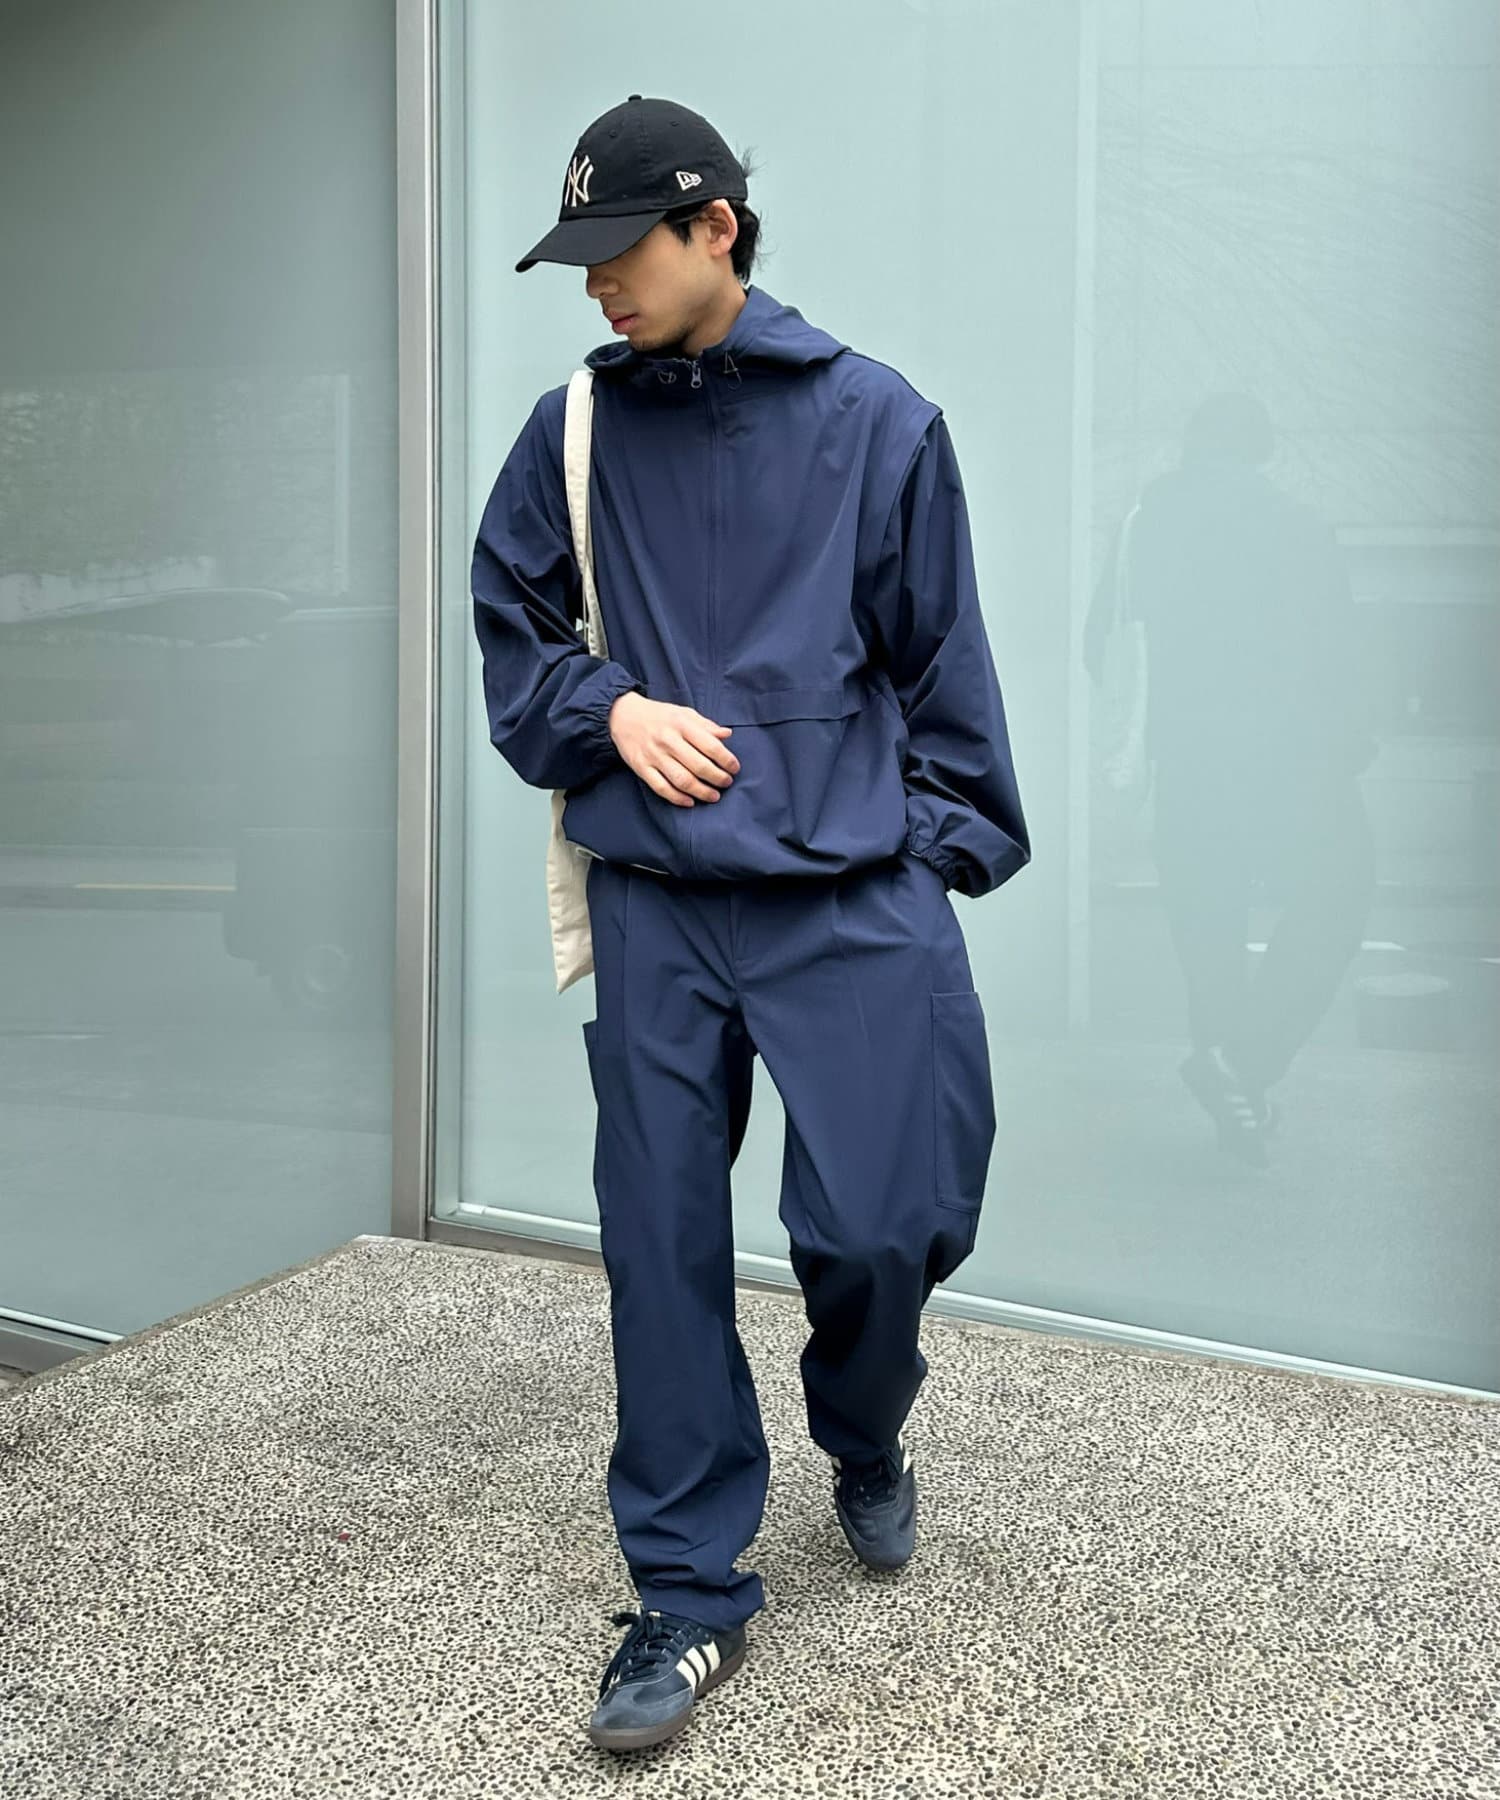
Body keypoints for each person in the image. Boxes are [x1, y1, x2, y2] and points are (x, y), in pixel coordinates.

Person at [472, 96, 1029, 1753]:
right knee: (660, 1249)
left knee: (884, 1225)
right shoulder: (571, 431)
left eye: (619, 253)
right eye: (579, 262)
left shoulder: (878, 422)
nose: (597, 288)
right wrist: (612, 710)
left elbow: (945, 670)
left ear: (715, 228)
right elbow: (513, 636)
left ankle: (863, 1425)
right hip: (657, 906)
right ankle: (687, 1592)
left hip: (844, 901)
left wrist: (912, 858)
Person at [1085, 393, 1377, 1165]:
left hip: (1190, 768)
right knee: (1341, 895)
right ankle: (1245, 1066)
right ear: (1262, 450)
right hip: (1296, 765)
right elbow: (1343, 653)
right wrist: (1348, 746)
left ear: (1192, 446)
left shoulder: (1144, 530)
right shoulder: (1300, 530)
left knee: (1209, 935)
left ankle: (1236, 1097)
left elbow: (1100, 644)